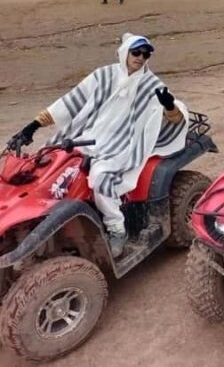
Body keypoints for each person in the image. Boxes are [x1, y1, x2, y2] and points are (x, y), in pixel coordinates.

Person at [7, 34, 189, 257]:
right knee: (46, 166)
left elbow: (175, 119)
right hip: (86, 137)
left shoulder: (152, 86)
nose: (141, 57)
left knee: (101, 178)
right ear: (124, 52)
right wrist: (32, 126)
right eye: (136, 52)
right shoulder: (103, 76)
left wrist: (169, 106)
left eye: (146, 54)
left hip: (122, 146)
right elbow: (70, 102)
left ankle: (116, 229)